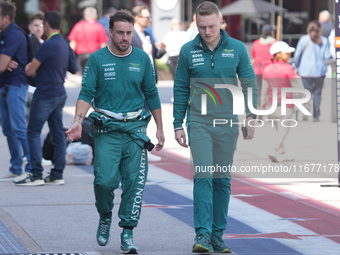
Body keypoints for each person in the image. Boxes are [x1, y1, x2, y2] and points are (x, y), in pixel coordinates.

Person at [65, 10, 164, 253]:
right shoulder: (97, 59)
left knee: (133, 184)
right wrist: (78, 121)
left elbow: (151, 94)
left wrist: (161, 127)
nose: (125, 37)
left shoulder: (142, 59)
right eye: (120, 32)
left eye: (129, 33)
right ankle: (105, 215)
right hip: (107, 130)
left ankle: (128, 232)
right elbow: (86, 93)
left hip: (135, 131)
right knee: (104, 181)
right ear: (110, 32)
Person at [173, 2, 257, 253]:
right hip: (199, 122)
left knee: (221, 179)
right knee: (203, 176)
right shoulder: (188, 50)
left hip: (228, 122)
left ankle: (218, 236)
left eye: (211, 26)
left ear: (221, 22)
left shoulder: (237, 48)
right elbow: (180, 88)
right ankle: (203, 235)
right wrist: (178, 123)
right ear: (196, 24)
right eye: (201, 27)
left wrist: (251, 115)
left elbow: (249, 82)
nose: (207, 32)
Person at [15, 11, 77, 186]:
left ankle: (36, 174)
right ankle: (57, 173)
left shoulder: (47, 45)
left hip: (45, 94)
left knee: (33, 132)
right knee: (58, 134)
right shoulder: (64, 43)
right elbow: (73, 67)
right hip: (59, 93)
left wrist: (28, 67)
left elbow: (31, 70)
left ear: (47, 25)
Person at [0, 1, 31, 181]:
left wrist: (4, 61)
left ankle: (33, 168)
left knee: (19, 128)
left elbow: (3, 66)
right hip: (5, 87)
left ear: (6, 17)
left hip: (15, 86)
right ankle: (16, 167)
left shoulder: (14, 34)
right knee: (8, 130)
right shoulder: (4, 34)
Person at [262, 41, 297, 162]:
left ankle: (282, 154)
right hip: (285, 105)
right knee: (284, 130)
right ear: (278, 54)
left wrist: (262, 103)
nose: (289, 55)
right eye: (286, 53)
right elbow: (295, 85)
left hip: (271, 105)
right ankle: (274, 149)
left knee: (279, 130)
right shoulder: (288, 68)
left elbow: (264, 88)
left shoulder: (267, 69)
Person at [294, 20, 332, 122]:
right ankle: (316, 115)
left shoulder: (303, 39)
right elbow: (327, 56)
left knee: (306, 92)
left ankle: (305, 111)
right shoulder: (324, 40)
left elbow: (297, 55)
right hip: (320, 71)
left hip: (305, 70)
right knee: (317, 93)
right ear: (320, 29)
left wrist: (296, 67)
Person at [131, 5, 166, 82]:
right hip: (139, 80)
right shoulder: (130, 36)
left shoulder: (147, 34)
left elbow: (156, 55)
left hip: (151, 79)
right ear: (137, 18)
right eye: (147, 17)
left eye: (149, 17)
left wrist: (162, 50)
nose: (149, 20)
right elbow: (129, 59)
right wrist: (145, 54)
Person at [68, 7, 108, 73]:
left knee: (84, 74)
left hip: (82, 56)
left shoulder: (78, 26)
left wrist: (70, 57)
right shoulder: (99, 27)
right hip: (95, 56)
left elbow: (72, 45)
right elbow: (103, 45)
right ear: (95, 16)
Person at [251, 24, 276, 110]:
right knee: (270, 92)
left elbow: (254, 57)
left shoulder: (256, 43)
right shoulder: (275, 43)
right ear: (271, 33)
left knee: (259, 92)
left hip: (258, 71)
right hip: (270, 72)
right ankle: (268, 111)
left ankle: (260, 110)